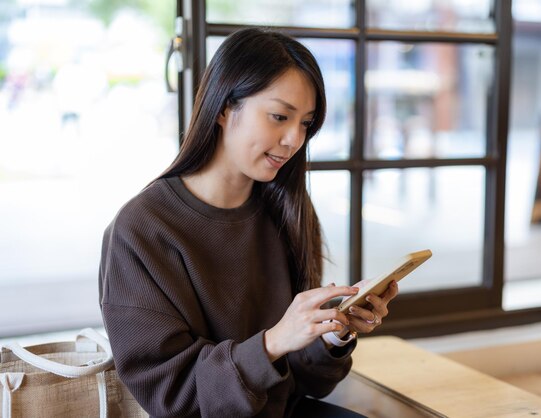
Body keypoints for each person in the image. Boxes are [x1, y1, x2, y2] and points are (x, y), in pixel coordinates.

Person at [98, 28, 398, 417]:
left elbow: (305, 383)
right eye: (279, 116)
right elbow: (171, 397)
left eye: (306, 123)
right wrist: (272, 342)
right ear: (224, 108)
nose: (294, 139)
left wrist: (333, 333)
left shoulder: (288, 208)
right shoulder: (142, 229)